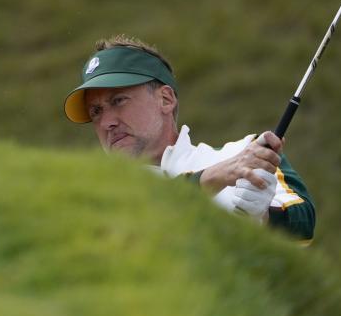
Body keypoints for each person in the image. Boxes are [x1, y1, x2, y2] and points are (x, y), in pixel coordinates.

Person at [64, 35, 315, 243]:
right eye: (96, 112)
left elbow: (304, 225)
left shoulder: (243, 153)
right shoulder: (90, 192)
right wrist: (209, 179)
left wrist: (263, 218)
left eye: (118, 101)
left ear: (165, 99)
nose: (107, 122)